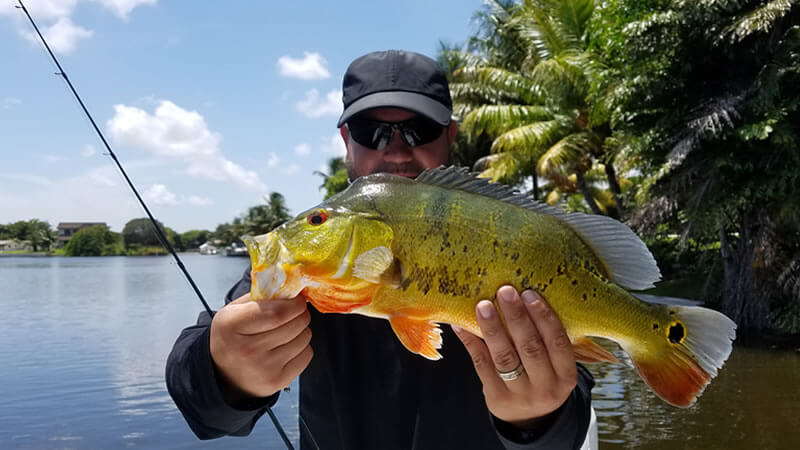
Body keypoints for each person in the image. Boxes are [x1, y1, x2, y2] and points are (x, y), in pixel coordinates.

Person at [166, 49, 594, 450]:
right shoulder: (314, 251)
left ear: (450, 135)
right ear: (346, 138)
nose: (396, 149)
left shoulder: (509, 232)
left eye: (418, 129)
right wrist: (225, 371)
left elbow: (568, 428)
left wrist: (537, 419)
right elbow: (203, 410)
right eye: (373, 132)